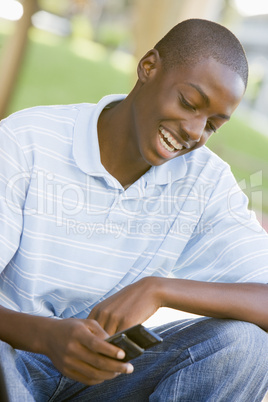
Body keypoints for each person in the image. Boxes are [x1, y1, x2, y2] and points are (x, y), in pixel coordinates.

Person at [0, 18, 268, 402]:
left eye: (212, 125)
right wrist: (46, 337)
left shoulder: (203, 182)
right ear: (148, 67)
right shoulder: (27, 142)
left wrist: (160, 289)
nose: (195, 132)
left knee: (247, 347)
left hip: (102, 378)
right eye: (189, 103)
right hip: (10, 360)